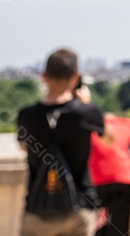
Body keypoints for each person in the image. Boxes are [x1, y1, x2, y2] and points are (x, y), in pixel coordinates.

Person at [16, 47, 105, 236]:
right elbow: (105, 137)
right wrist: (85, 103)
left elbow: (24, 147)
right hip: (80, 203)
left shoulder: (27, 116)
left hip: (39, 204)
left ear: (44, 77)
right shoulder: (86, 113)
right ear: (76, 77)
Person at [88, 112, 130, 236]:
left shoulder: (91, 129)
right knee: (120, 224)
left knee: (97, 224)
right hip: (122, 178)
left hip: (97, 179)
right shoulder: (126, 125)